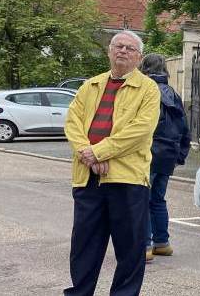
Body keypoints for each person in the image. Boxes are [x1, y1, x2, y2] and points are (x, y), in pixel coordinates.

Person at [63, 31, 160, 296]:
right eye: (118, 46)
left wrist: (100, 152)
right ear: (109, 51)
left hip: (127, 181)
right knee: (84, 247)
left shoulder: (148, 89)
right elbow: (73, 123)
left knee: (130, 251)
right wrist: (89, 154)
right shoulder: (90, 86)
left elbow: (140, 130)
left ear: (139, 58)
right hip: (87, 177)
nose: (123, 51)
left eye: (130, 48)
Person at [138, 53, 191, 262]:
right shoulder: (174, 94)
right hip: (168, 154)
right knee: (158, 199)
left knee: (142, 199)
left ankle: (144, 246)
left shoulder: (145, 90)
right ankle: (162, 243)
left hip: (149, 153)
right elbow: (185, 127)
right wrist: (180, 154)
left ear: (145, 68)